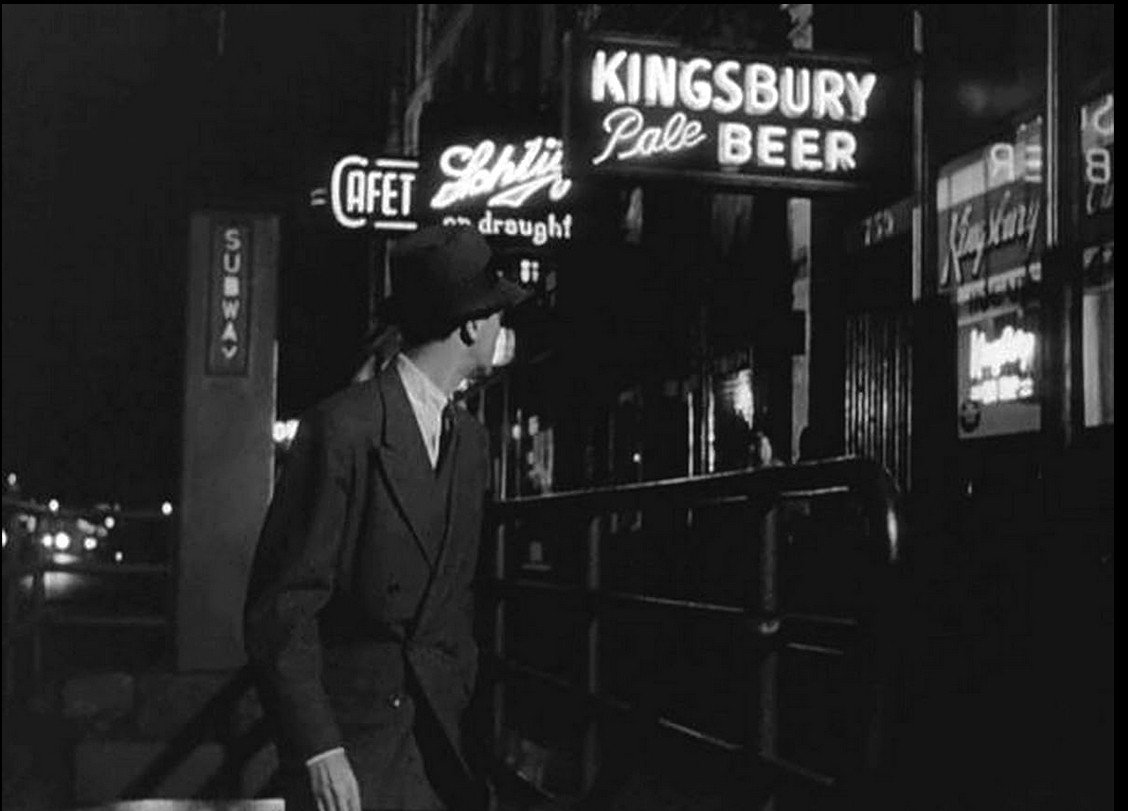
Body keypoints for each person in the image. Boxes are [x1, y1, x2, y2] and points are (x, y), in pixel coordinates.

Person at [244, 225, 528, 811]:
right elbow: (283, 605)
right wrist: (319, 750)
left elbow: (455, 601)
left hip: (441, 743)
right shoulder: (344, 428)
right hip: (354, 747)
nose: (503, 325)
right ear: (472, 324)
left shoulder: (470, 442)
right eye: (498, 311)